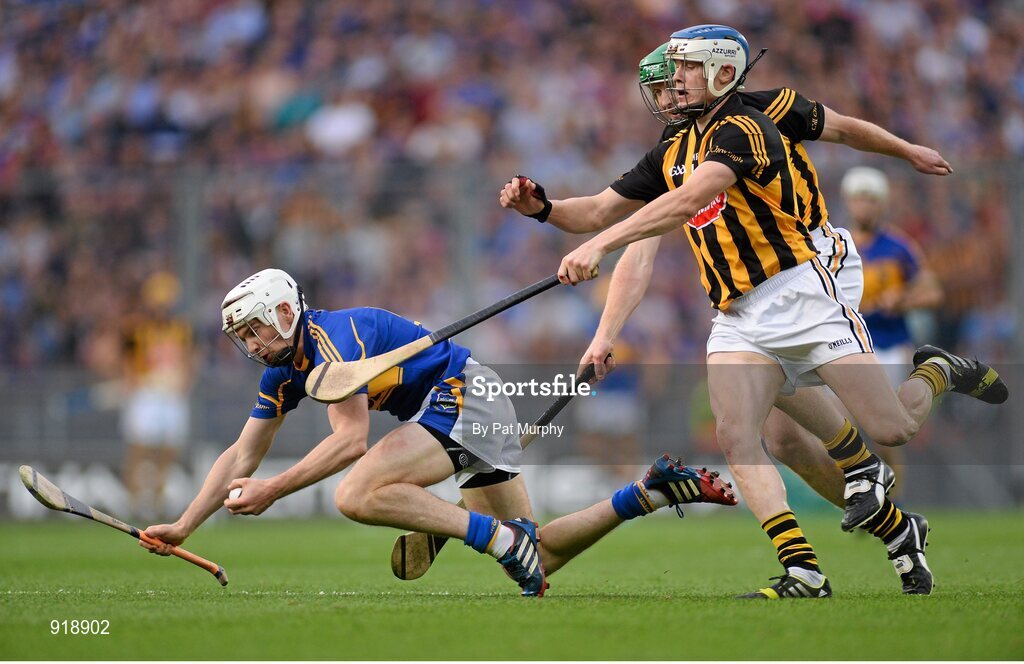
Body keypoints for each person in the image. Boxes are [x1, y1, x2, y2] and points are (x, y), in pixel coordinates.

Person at [507, 25, 1006, 598]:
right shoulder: (671, 151)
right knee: (746, 435)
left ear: (722, 71)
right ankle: (804, 571)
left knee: (893, 425)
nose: (672, 82)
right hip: (739, 315)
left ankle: (933, 373)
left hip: (801, 286)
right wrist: (541, 207)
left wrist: (907, 150)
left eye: (686, 69)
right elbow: (597, 210)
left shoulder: (749, 125)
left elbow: (695, 197)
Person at [140, 268, 738, 596]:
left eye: (253, 330)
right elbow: (244, 450)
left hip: (461, 396)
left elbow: (350, 443)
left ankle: (492, 538)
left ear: (284, 312)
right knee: (542, 554)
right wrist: (188, 523)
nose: (249, 345)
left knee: (355, 493)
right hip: (456, 406)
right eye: (240, 337)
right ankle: (654, 490)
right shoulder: (283, 370)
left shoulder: (331, 344)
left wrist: (274, 488)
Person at [842, 166, 943, 493]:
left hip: (889, 344)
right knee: (847, 428)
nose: (864, 207)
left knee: (886, 431)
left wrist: (901, 300)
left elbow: (932, 292)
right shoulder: (838, 245)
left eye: (870, 200)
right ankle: (862, 495)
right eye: (858, 199)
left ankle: (892, 500)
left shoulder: (900, 247)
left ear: (882, 204)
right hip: (848, 346)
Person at [121, 271, 194, 520]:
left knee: (167, 453)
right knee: (140, 451)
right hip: (147, 394)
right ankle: (134, 503)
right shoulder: (137, 329)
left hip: (171, 396)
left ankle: (158, 504)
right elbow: (128, 361)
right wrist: (135, 383)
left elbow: (188, 360)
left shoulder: (181, 329)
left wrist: (184, 382)